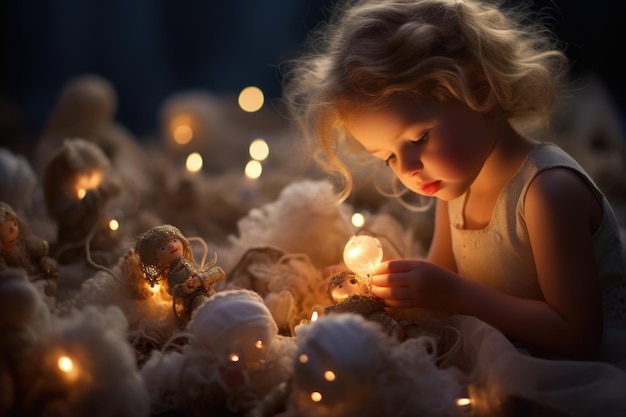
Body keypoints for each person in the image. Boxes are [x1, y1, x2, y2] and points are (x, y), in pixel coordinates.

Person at [283, 0, 626, 413]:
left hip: (586, 363)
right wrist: (381, 285)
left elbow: (578, 334)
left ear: (478, 89)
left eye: (418, 139)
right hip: (517, 342)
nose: (407, 169)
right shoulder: (455, 187)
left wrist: (457, 293)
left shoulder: (547, 192)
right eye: (388, 157)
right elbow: (441, 279)